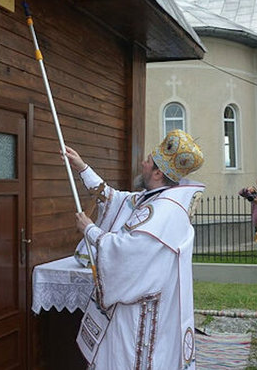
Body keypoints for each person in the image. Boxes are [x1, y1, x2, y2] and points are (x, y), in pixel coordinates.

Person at [68, 129, 205, 369]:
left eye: (148, 160)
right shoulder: (153, 197)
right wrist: (82, 168)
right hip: (137, 301)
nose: (143, 162)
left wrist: (89, 230)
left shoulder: (165, 210)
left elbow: (125, 252)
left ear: (158, 172)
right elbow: (113, 198)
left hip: (141, 311)